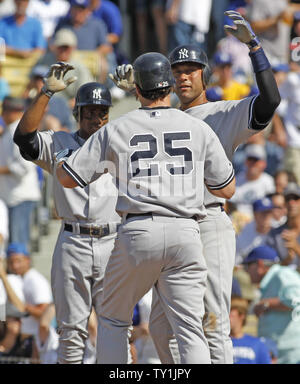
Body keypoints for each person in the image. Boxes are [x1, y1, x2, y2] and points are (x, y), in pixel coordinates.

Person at [110, 10, 281, 364]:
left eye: (191, 70)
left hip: (208, 221)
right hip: (175, 230)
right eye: (177, 72)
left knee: (213, 322)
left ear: (205, 73)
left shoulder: (223, 112)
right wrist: (140, 89)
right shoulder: (163, 117)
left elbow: (269, 102)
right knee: (160, 327)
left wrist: (254, 48)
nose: (184, 76)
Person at [56, 52, 236, 364]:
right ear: (169, 88)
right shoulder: (197, 126)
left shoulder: (117, 128)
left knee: (113, 318)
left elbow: (69, 179)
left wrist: (62, 160)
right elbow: (227, 188)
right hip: (186, 230)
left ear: (136, 89)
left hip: (138, 230)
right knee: (190, 327)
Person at [13, 64, 121, 364]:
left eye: (102, 111)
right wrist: (45, 93)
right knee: (72, 332)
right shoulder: (60, 142)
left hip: (113, 240)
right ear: (77, 113)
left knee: (116, 330)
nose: (96, 118)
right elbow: (24, 138)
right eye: (89, 111)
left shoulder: (121, 144)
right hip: (73, 240)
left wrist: (137, 96)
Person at [243, 245, 300, 364]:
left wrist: (266, 304)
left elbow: (296, 299)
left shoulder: (282, 274)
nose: (246, 271)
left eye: (247, 266)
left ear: (259, 264)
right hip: (281, 355)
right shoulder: (272, 279)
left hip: (292, 356)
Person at [0, 97, 41, 249]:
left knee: (18, 246)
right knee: (14, 244)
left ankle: (21, 274)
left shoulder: (17, 131)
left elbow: (23, 167)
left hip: (21, 197)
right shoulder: (10, 130)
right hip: (12, 196)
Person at [5, 242, 53, 354]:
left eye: (18, 261)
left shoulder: (35, 280)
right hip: (26, 340)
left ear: (28, 260)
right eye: (11, 262)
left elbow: (45, 313)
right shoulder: (22, 279)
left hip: (37, 343)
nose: (15, 265)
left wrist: (22, 308)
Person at [35, 28, 94, 105]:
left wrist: (68, 105)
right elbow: (34, 82)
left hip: (69, 107)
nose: (63, 51)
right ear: (55, 47)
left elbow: (86, 93)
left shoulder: (79, 67)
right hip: (46, 103)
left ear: (73, 48)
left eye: (67, 47)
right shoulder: (45, 60)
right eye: (61, 47)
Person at [229, 144, 275, 219]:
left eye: (256, 160)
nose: (252, 163)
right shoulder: (237, 179)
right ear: (245, 162)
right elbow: (231, 203)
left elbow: (270, 205)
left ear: (263, 164)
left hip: (258, 220)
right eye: (250, 159)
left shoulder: (268, 181)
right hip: (237, 219)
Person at [266, 182, 300, 268]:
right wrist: (286, 261)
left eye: (296, 198)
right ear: (284, 204)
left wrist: (297, 249)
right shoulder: (273, 235)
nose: (291, 203)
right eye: (288, 199)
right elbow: (270, 270)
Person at [230, 296, 271, 364]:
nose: (226, 317)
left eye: (230, 313)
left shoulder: (258, 344)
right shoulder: (220, 343)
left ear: (241, 315)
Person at [235, 197, 275, 265]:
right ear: (255, 214)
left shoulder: (277, 230)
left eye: (269, 212)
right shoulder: (245, 231)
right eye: (263, 213)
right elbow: (238, 258)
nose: (266, 216)